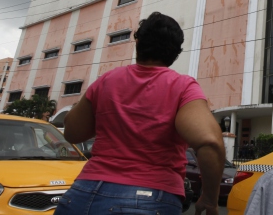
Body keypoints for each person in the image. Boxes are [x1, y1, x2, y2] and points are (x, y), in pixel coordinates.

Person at [56, 12, 225, 215]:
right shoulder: (182, 86)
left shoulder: (107, 80)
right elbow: (210, 143)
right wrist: (209, 199)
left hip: (82, 193)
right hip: (150, 196)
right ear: (176, 52)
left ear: (138, 42)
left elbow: (72, 132)